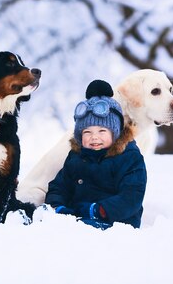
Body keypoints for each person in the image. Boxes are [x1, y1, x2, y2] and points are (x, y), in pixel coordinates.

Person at [45, 79, 147, 229]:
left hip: (116, 223)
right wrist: (58, 207)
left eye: (102, 131)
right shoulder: (76, 157)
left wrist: (99, 210)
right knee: (48, 221)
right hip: (78, 217)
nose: (94, 137)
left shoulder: (129, 157)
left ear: (115, 133)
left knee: (82, 230)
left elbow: (131, 196)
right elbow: (59, 186)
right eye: (87, 132)